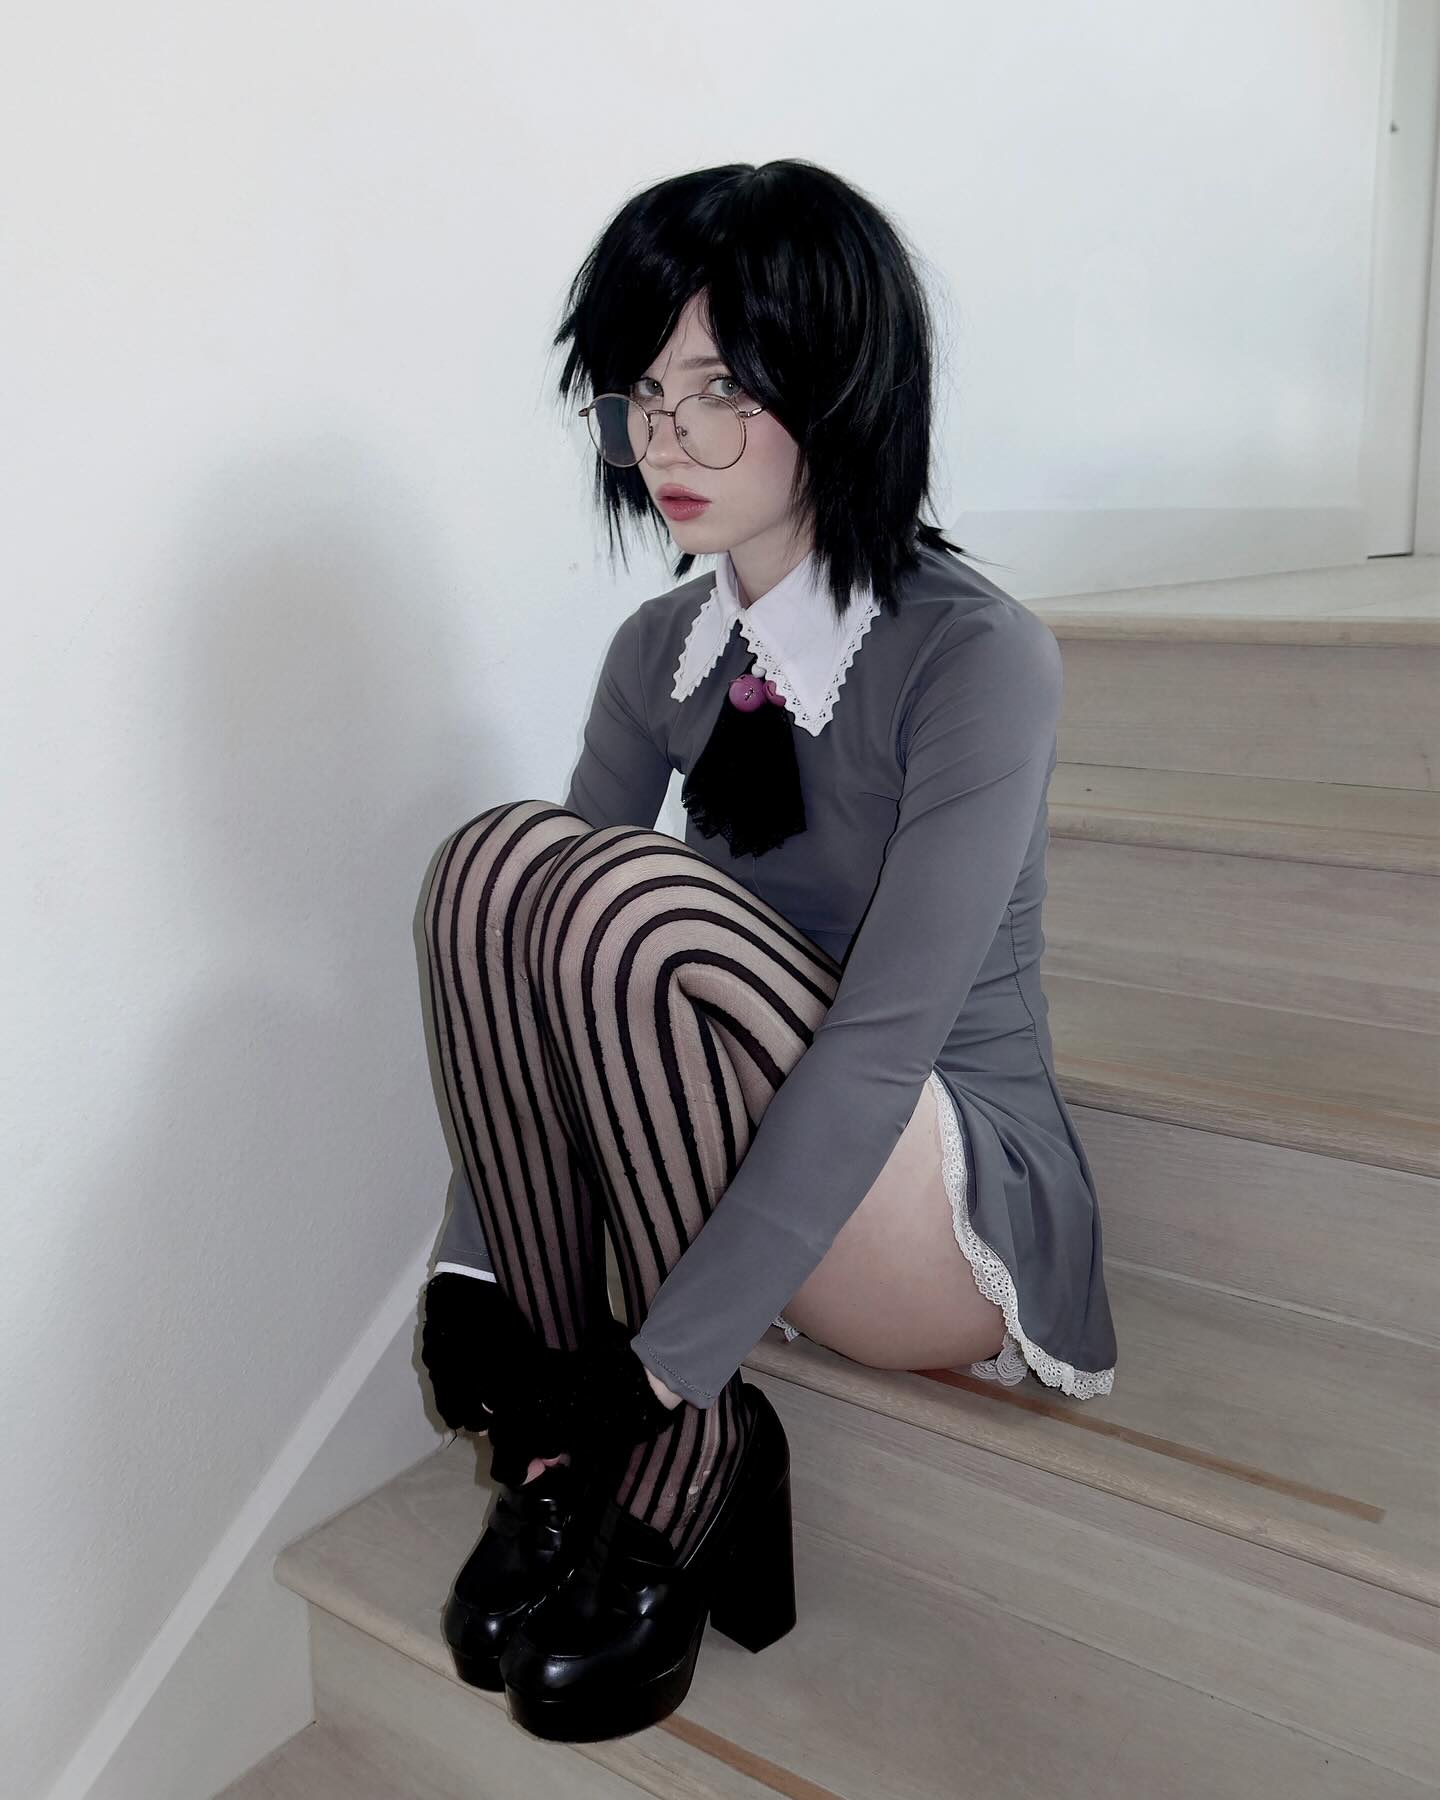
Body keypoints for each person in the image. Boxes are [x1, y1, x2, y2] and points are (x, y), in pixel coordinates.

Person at [418, 157, 1118, 1744]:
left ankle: (683, 1452)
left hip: (932, 1200)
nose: (668, 438)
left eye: (723, 389)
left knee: (623, 900)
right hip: (739, 1167)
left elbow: (876, 1045)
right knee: (494, 867)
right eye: (642, 393)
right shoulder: (657, 651)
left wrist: (660, 1367)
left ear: (843, 384)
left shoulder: (975, 654)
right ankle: (554, 1459)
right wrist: (475, 1271)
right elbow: (516, 950)